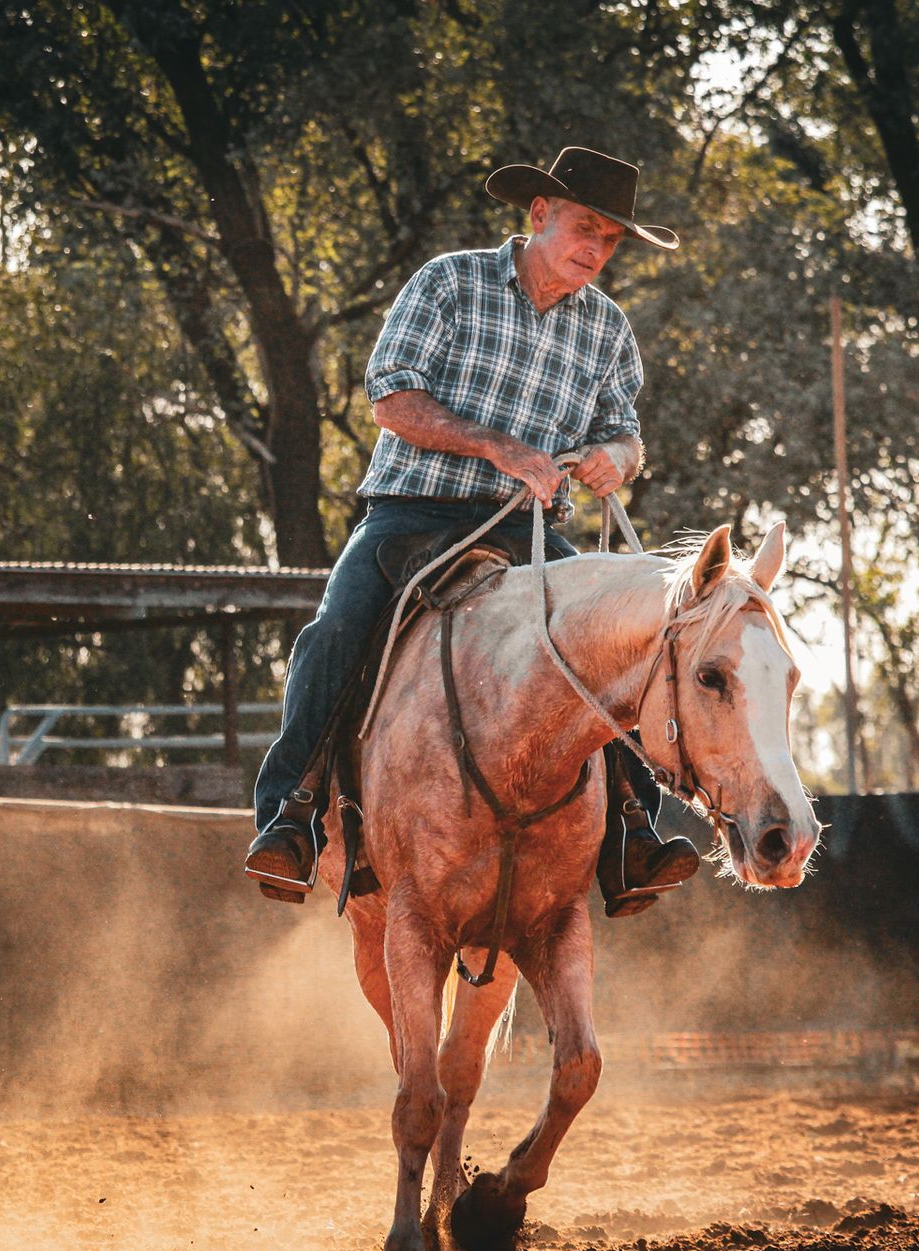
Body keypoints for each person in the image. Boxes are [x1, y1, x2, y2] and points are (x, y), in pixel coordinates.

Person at [243, 145, 699, 917]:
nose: (595, 250)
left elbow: (626, 432)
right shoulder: (450, 281)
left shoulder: (609, 329)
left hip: (528, 535)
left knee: (620, 642)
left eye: (611, 240)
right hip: (411, 512)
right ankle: (287, 816)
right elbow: (391, 399)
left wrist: (612, 460)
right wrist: (501, 448)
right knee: (334, 631)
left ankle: (632, 830)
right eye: (585, 228)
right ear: (538, 214)